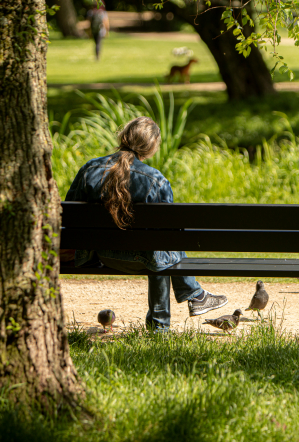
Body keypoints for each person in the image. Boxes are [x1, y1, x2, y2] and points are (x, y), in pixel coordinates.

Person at [65, 117, 228, 331]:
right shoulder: (156, 180)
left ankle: (195, 295)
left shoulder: (90, 169)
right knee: (161, 243)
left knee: (160, 243)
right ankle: (176, 311)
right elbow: (168, 234)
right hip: (141, 259)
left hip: (98, 255)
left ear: (123, 137)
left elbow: (68, 213)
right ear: (152, 146)